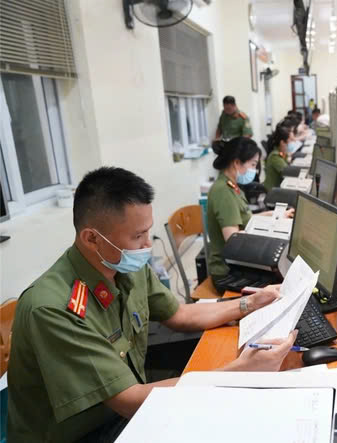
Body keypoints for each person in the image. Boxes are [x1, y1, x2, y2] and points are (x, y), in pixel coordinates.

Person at [7, 167, 296, 442]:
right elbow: (129, 401)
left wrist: (248, 304)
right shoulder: (53, 309)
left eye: (148, 231)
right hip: (82, 434)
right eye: (137, 236)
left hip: (125, 410)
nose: (148, 244)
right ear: (92, 238)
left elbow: (180, 314)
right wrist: (238, 372)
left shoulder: (124, 265)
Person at [207, 137, 261, 286]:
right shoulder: (223, 191)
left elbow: (244, 217)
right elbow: (234, 241)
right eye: (252, 164)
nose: (254, 170)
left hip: (236, 265)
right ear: (237, 162)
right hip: (227, 272)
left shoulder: (231, 186)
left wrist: (273, 216)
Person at [263, 122, 296, 191]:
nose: (291, 142)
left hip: (278, 188)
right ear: (282, 142)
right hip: (272, 191)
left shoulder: (281, 153)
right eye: (289, 140)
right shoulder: (275, 156)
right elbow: (288, 172)